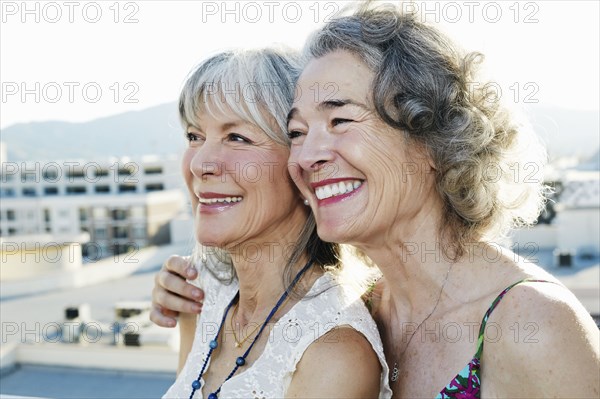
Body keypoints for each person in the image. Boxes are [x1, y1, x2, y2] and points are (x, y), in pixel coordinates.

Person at [152, 3, 600, 398]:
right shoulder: (358, 307)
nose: (306, 156)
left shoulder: (534, 326)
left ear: (431, 139)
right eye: (297, 133)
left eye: (340, 119)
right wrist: (196, 295)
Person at [159, 47, 392, 398]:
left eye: (237, 137)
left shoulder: (333, 353)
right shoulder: (202, 298)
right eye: (195, 136)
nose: (200, 163)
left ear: (301, 165)